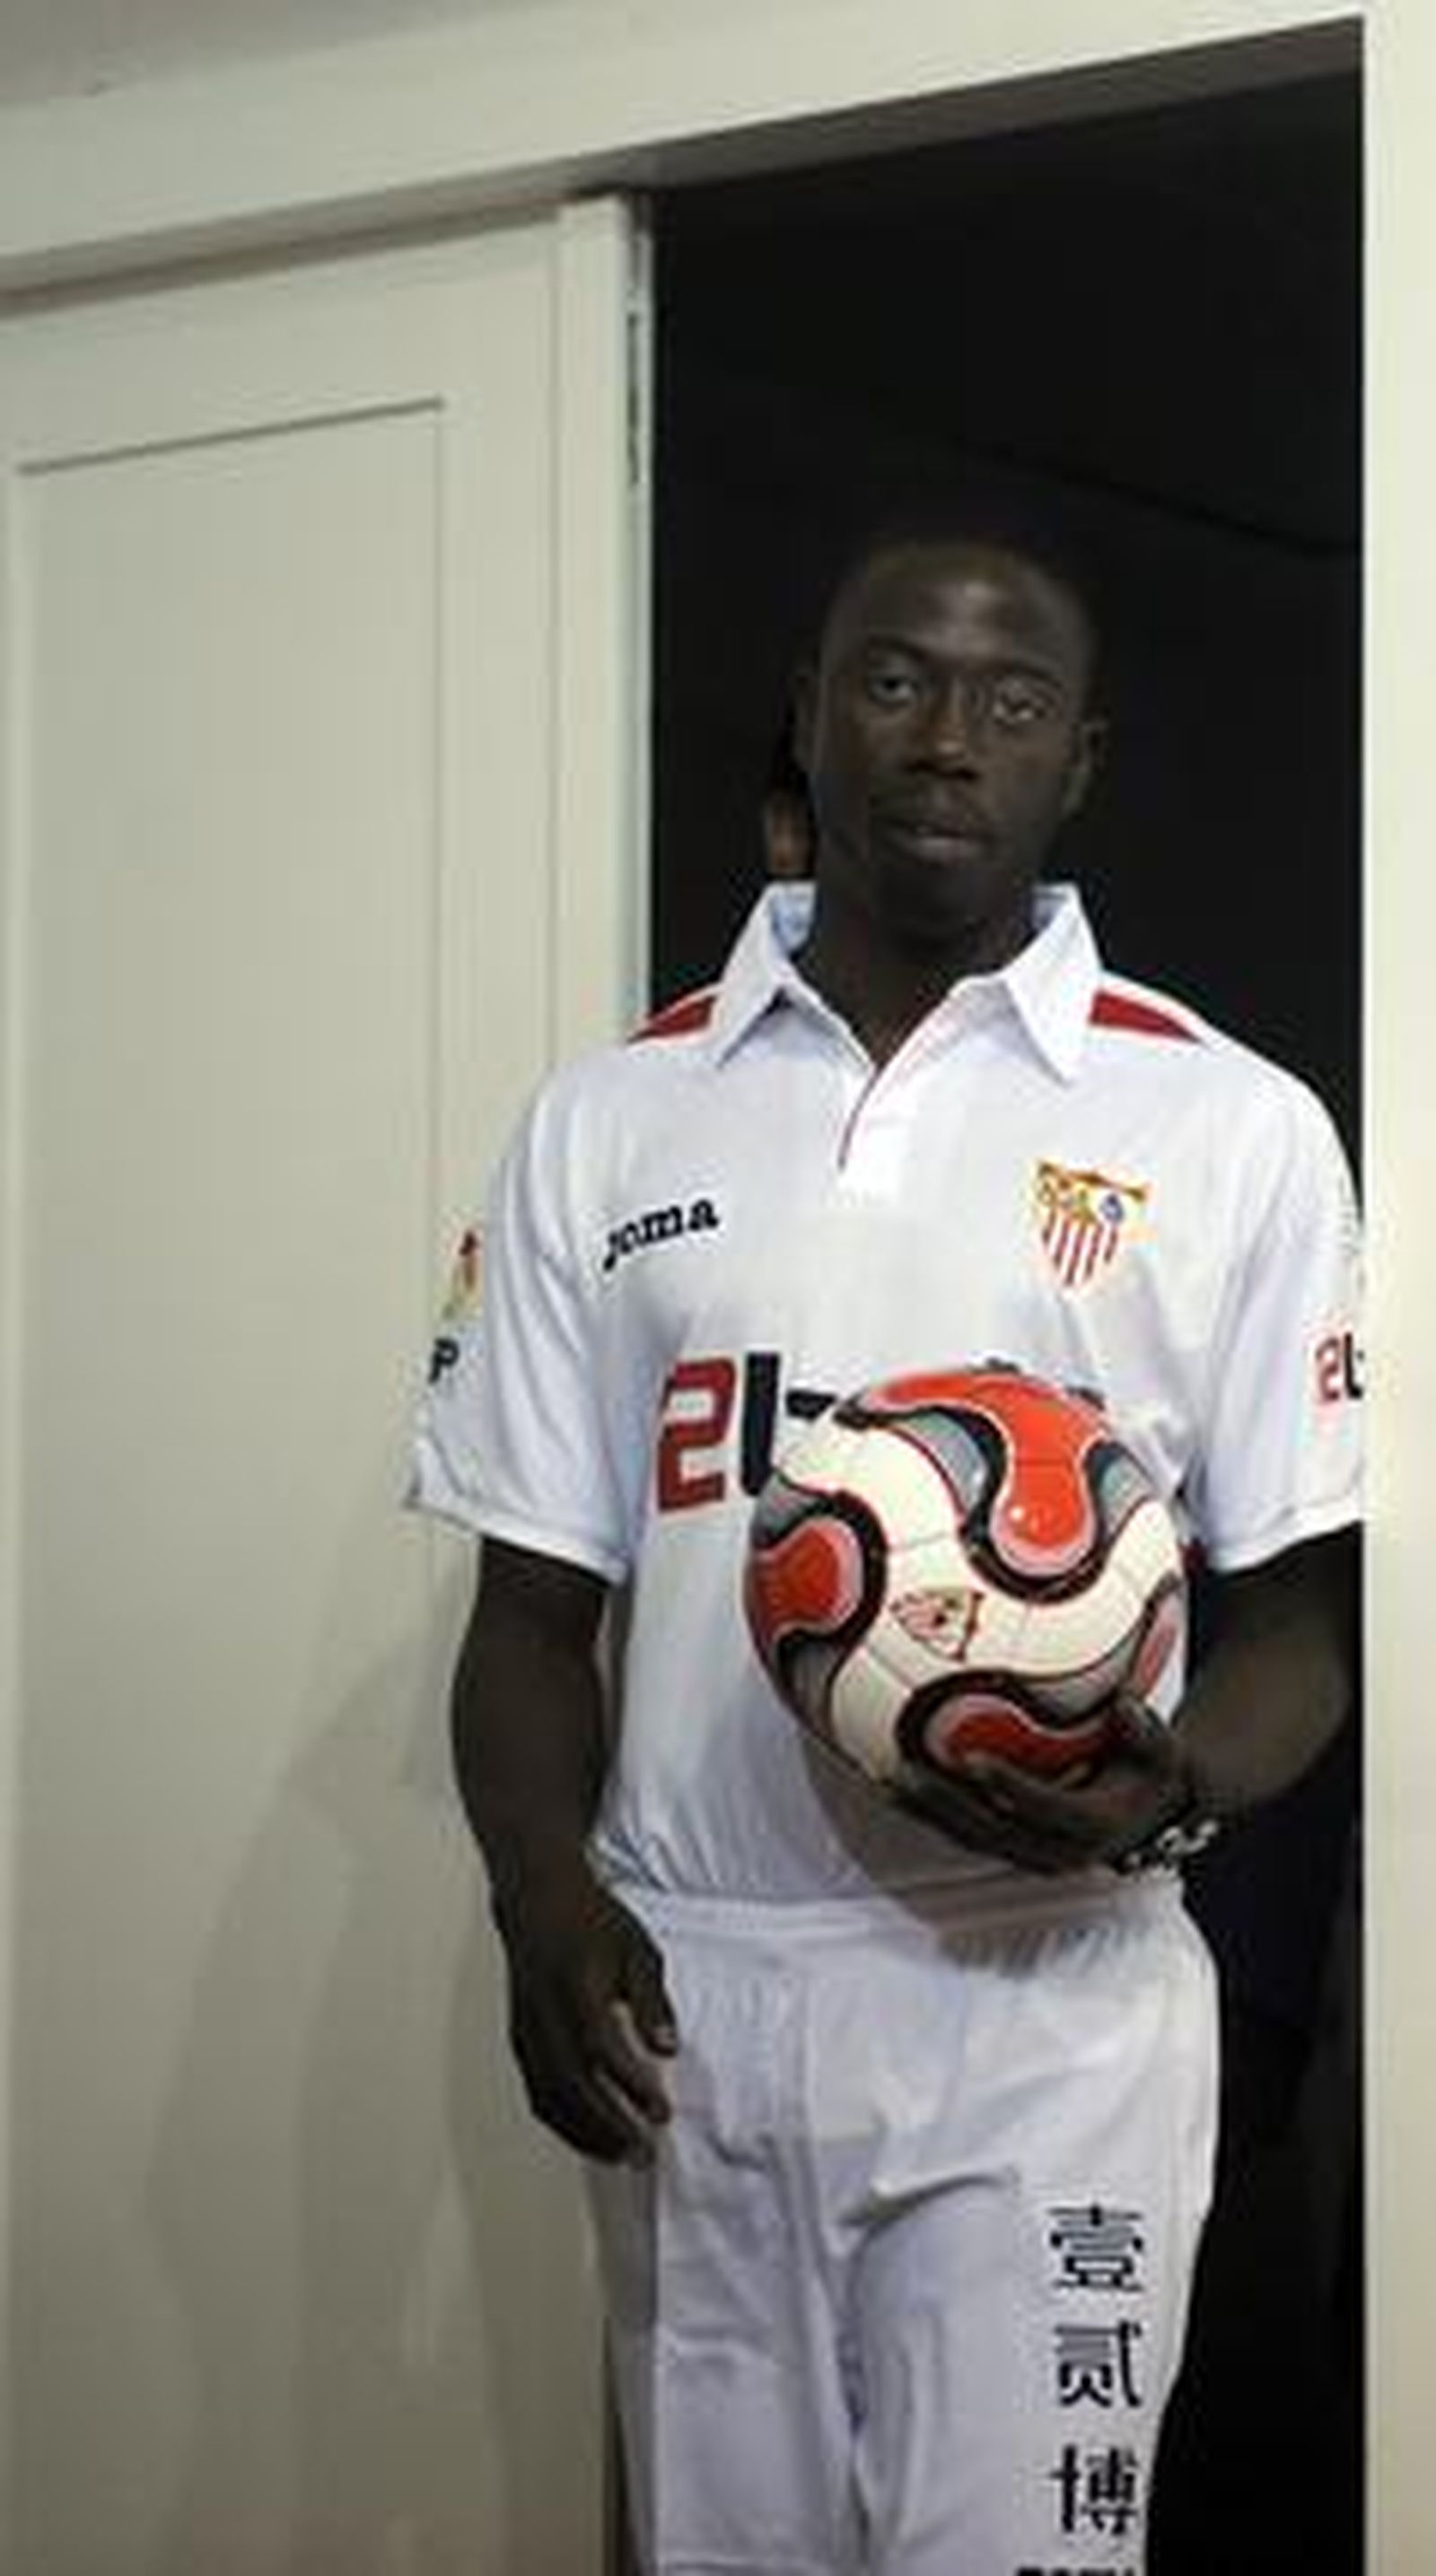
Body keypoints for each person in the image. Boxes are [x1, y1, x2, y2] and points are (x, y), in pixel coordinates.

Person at [410, 526, 1362, 2576]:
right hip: (692, 1994)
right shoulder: (603, 1118)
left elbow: (1301, 1623)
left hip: (1041, 1994)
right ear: (812, 711)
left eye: (1010, 701)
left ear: (1076, 760)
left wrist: (1174, 1778)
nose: (948, 736)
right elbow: (521, 1610)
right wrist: (536, 1891)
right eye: (895, 678)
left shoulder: (1228, 1127)